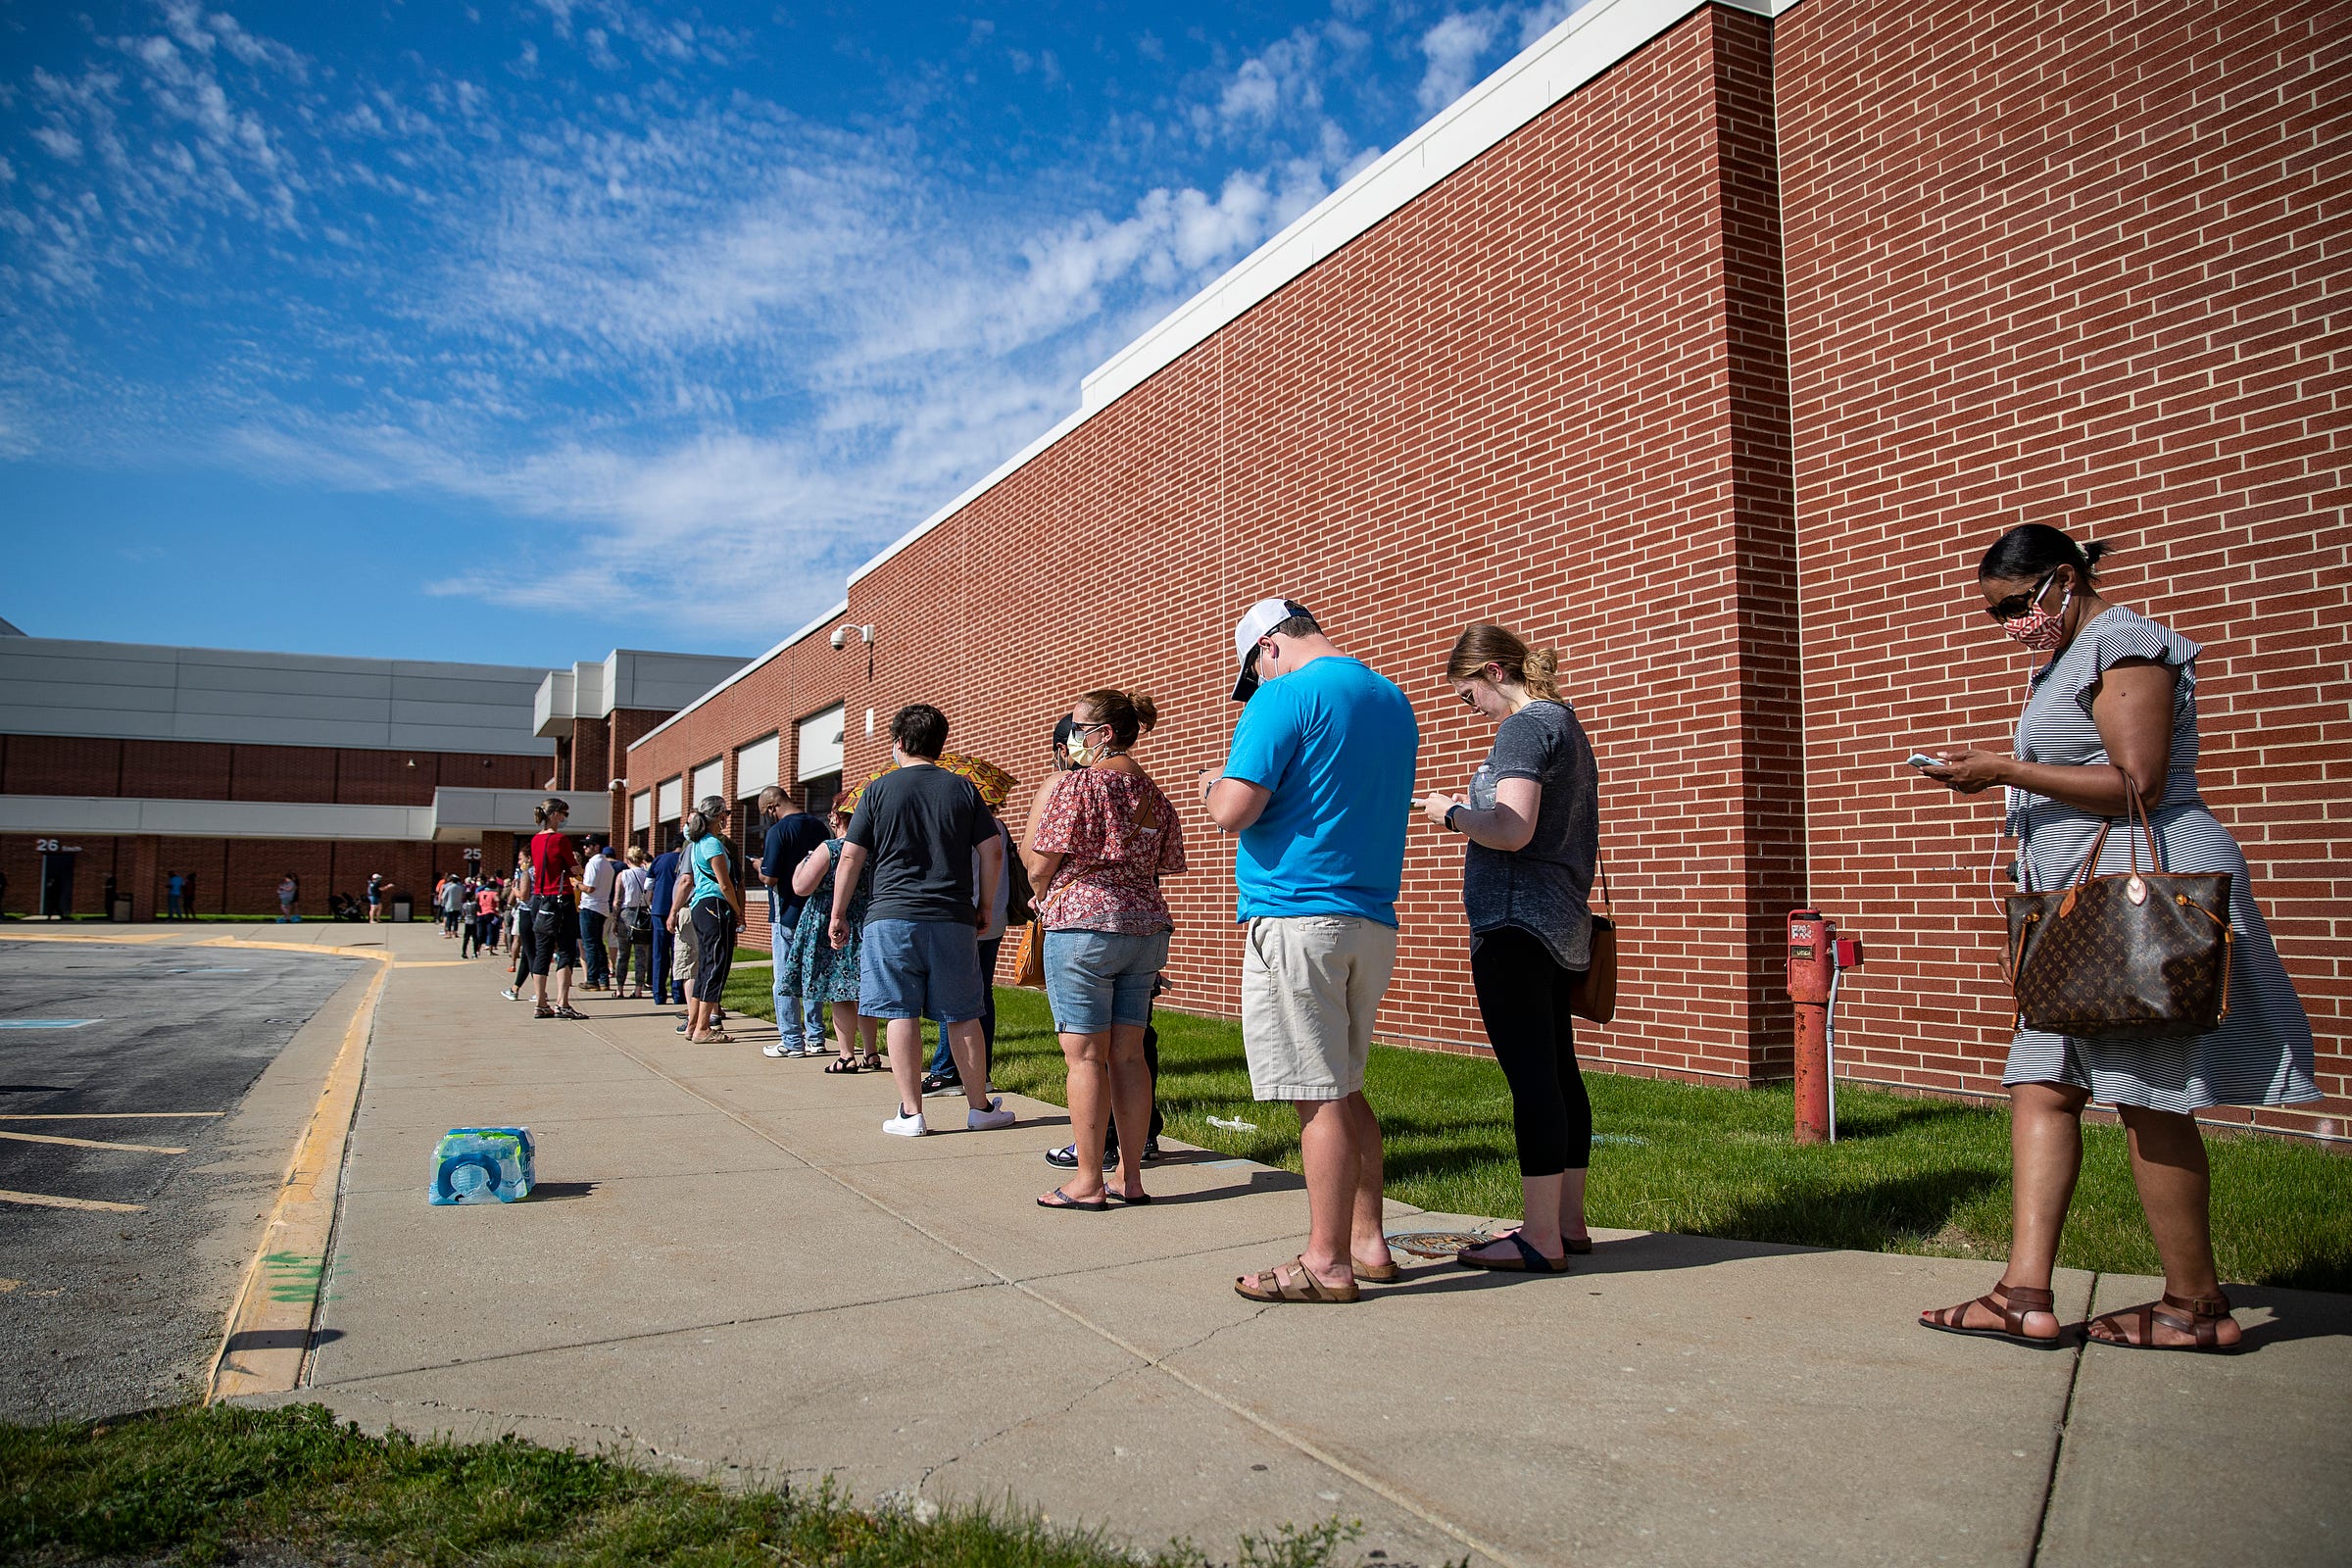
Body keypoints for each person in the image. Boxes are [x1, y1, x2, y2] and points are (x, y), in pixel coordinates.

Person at [1915, 526, 2316, 1351]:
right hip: (2076, 915)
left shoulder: (2124, 642)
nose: (2012, 626)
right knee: (2041, 1084)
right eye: (1997, 616)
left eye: (2019, 606)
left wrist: (2005, 770)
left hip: (2136, 912)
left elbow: (2139, 783)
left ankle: (2194, 1309)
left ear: (2064, 580)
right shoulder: (2065, 658)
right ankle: (2021, 1294)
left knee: (2148, 1097)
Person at [1200, 598, 1419, 1303]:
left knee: (1314, 1093)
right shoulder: (1391, 698)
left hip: (1298, 916)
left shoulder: (1283, 696)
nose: (1255, 687)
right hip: (1370, 918)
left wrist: (1211, 787)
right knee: (1347, 1087)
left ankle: (1327, 1262)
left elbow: (1235, 808)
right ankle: (1369, 1241)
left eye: (1253, 672)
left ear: (1268, 647)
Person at [1418, 623, 1600, 1272]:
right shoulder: (1566, 724)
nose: (1473, 712)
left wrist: (1448, 812)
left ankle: (1540, 1237)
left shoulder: (1525, 727)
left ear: (1495, 672)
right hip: (1558, 922)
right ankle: (1569, 1223)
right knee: (1558, 1073)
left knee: (1532, 1080)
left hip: (1516, 924)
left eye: (1470, 697)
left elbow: (1513, 828)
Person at [1024, 688, 1186, 1209]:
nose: (1073, 738)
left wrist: (1041, 888)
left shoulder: (1080, 784)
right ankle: (1130, 1177)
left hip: (1084, 926)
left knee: (1085, 1058)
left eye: (1078, 727)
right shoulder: (1152, 792)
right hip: (1145, 928)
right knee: (1130, 1056)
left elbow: (1040, 862)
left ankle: (1088, 1180)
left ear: (1104, 733)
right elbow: (1169, 860)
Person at [830, 704, 1016, 1137]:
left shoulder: (875, 791)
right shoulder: (964, 789)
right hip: (952, 915)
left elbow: (852, 857)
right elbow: (990, 850)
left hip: (890, 918)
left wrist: (838, 913)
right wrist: (985, 904)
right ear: (941, 744)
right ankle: (980, 1108)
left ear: (898, 742)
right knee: (964, 1014)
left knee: (899, 1011)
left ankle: (911, 1114)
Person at [785, 802, 883, 1073]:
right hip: (865, 918)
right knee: (863, 991)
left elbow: (801, 887)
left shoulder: (830, 848)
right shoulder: (874, 850)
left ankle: (846, 1055)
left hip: (830, 919)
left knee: (839, 990)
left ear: (837, 817)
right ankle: (871, 1052)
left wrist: (800, 865)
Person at [758, 785, 832, 1059]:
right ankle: (816, 1037)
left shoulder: (778, 831)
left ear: (771, 807)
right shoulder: (820, 828)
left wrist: (758, 867)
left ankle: (791, 1040)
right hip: (815, 911)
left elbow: (770, 877)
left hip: (786, 911)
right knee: (812, 974)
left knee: (784, 979)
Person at [682, 797, 746, 1045]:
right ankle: (703, 1027)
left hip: (702, 906)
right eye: (726, 814)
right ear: (720, 816)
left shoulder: (697, 843)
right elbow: (725, 883)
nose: (727, 818)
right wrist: (737, 909)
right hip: (715, 906)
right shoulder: (712, 845)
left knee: (707, 966)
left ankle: (692, 1024)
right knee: (716, 967)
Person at [527, 797, 585, 1020]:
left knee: (542, 951)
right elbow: (574, 868)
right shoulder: (560, 840)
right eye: (564, 814)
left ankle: (541, 1002)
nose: (564, 818)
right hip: (561, 899)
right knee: (566, 950)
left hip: (539, 899)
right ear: (554, 815)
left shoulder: (535, 841)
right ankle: (563, 1002)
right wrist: (577, 869)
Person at [649, 831, 684, 1007]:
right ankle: (678, 994)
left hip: (659, 909)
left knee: (659, 954)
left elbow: (648, 885)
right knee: (678, 952)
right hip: (680, 909)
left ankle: (659, 994)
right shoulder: (686, 859)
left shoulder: (660, 859)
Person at [577, 839, 617, 991]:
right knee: (598, 944)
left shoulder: (593, 863)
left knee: (590, 945)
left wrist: (577, 884)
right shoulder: (607, 864)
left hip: (590, 906)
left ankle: (592, 979)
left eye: (588, 845)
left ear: (596, 846)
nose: (585, 848)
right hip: (601, 907)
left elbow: (589, 888)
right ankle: (603, 978)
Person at [614, 845, 654, 999]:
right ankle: (638, 988)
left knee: (623, 953)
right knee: (640, 954)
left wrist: (614, 919)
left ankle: (619, 988)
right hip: (643, 913)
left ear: (628, 859)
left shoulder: (623, 875)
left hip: (627, 912)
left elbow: (617, 900)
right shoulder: (647, 874)